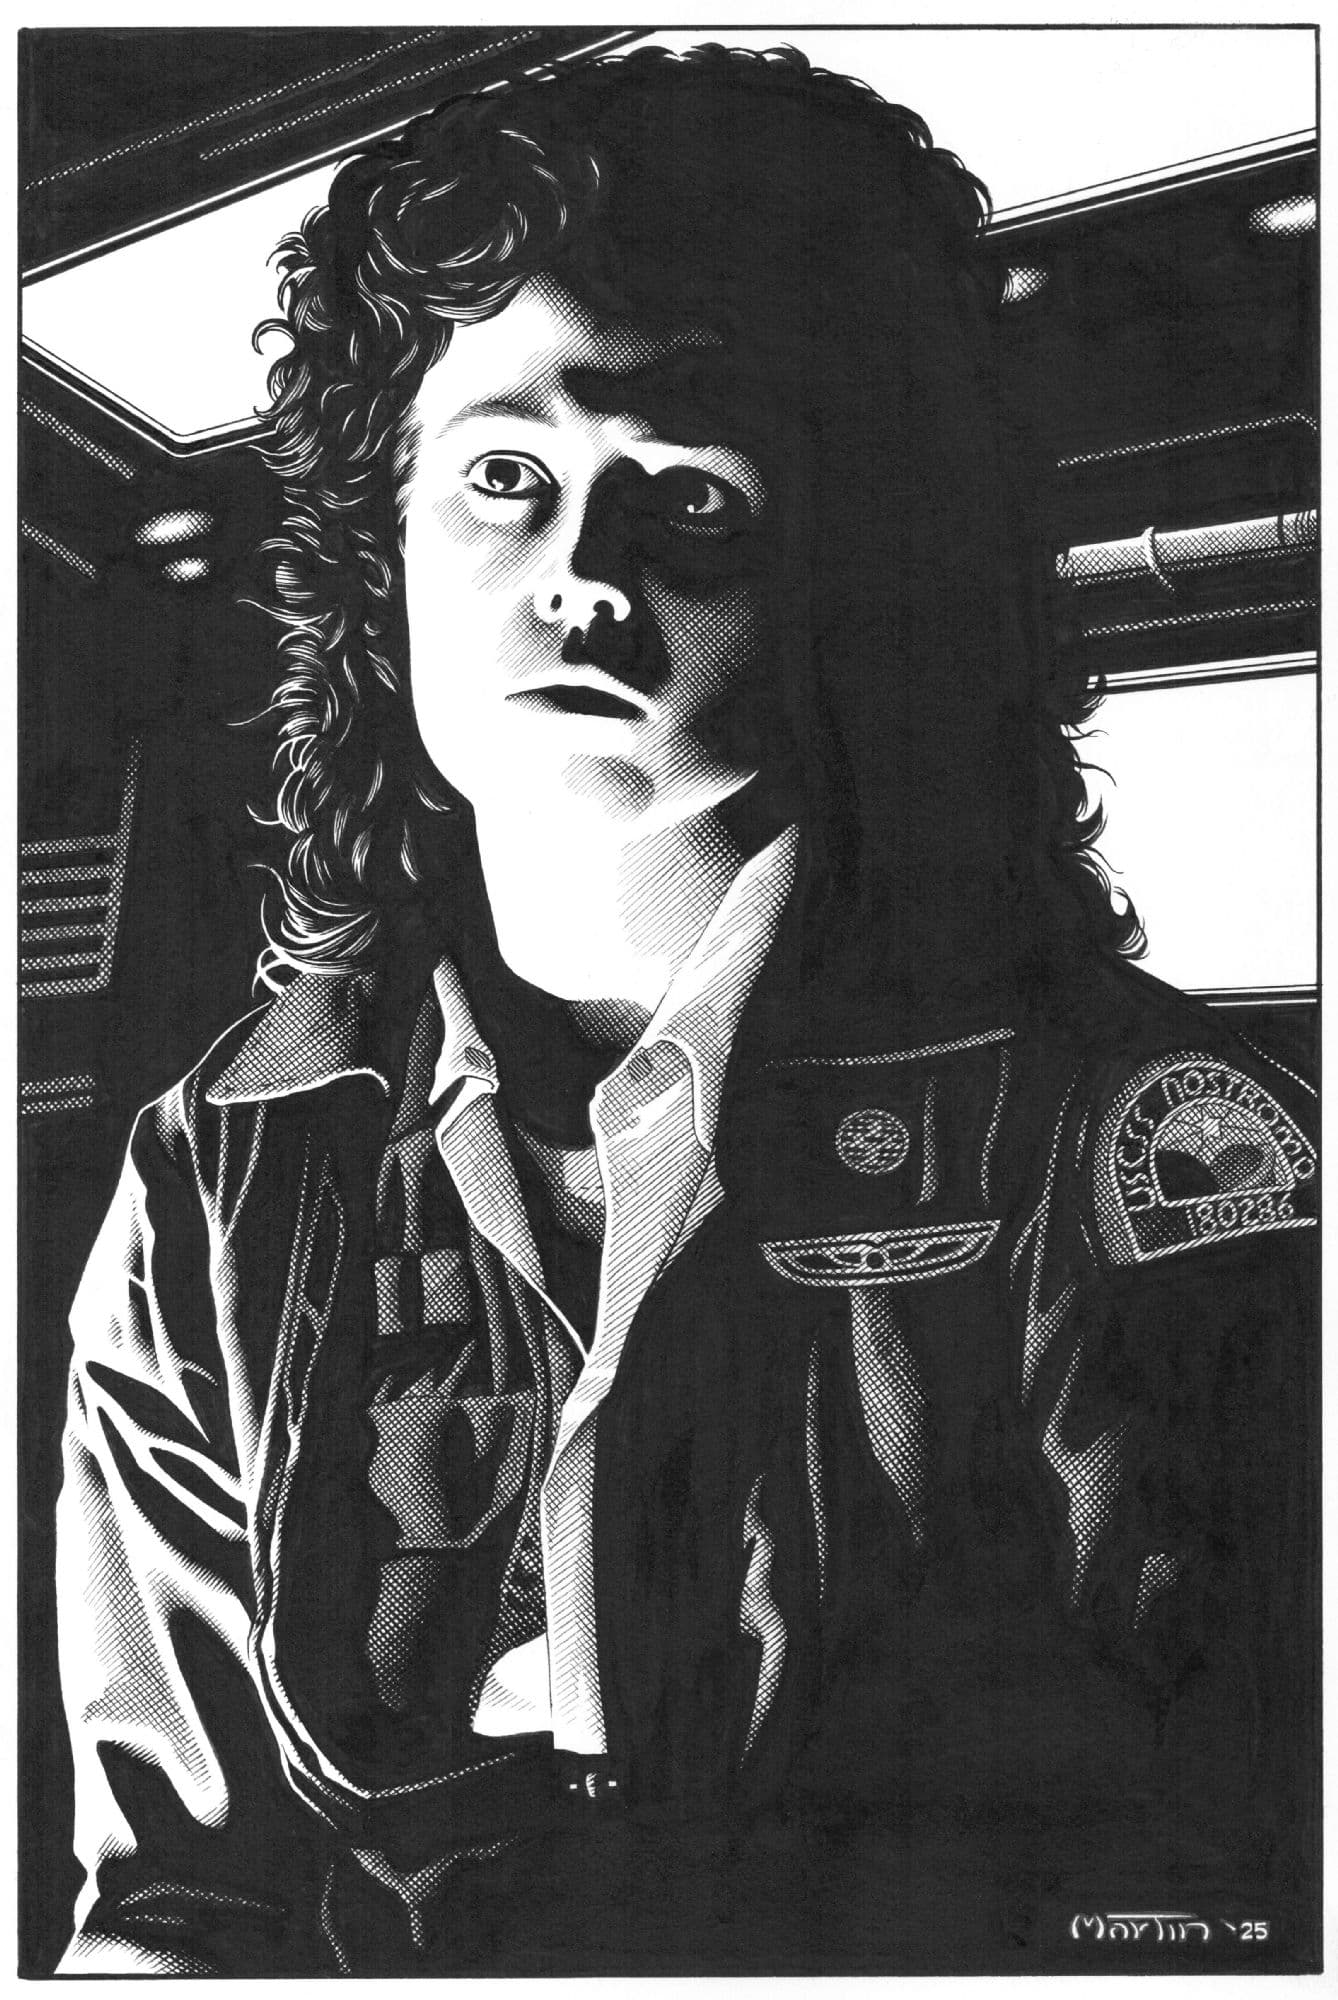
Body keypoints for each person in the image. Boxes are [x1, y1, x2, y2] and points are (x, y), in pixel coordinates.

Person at [56, 43, 1318, 1976]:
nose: (581, 574)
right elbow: (173, 1898)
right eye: (503, 479)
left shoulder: (1141, 1125)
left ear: (857, 565)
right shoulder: (220, 1170)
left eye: (689, 496)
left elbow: (1235, 1876)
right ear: (382, 550)